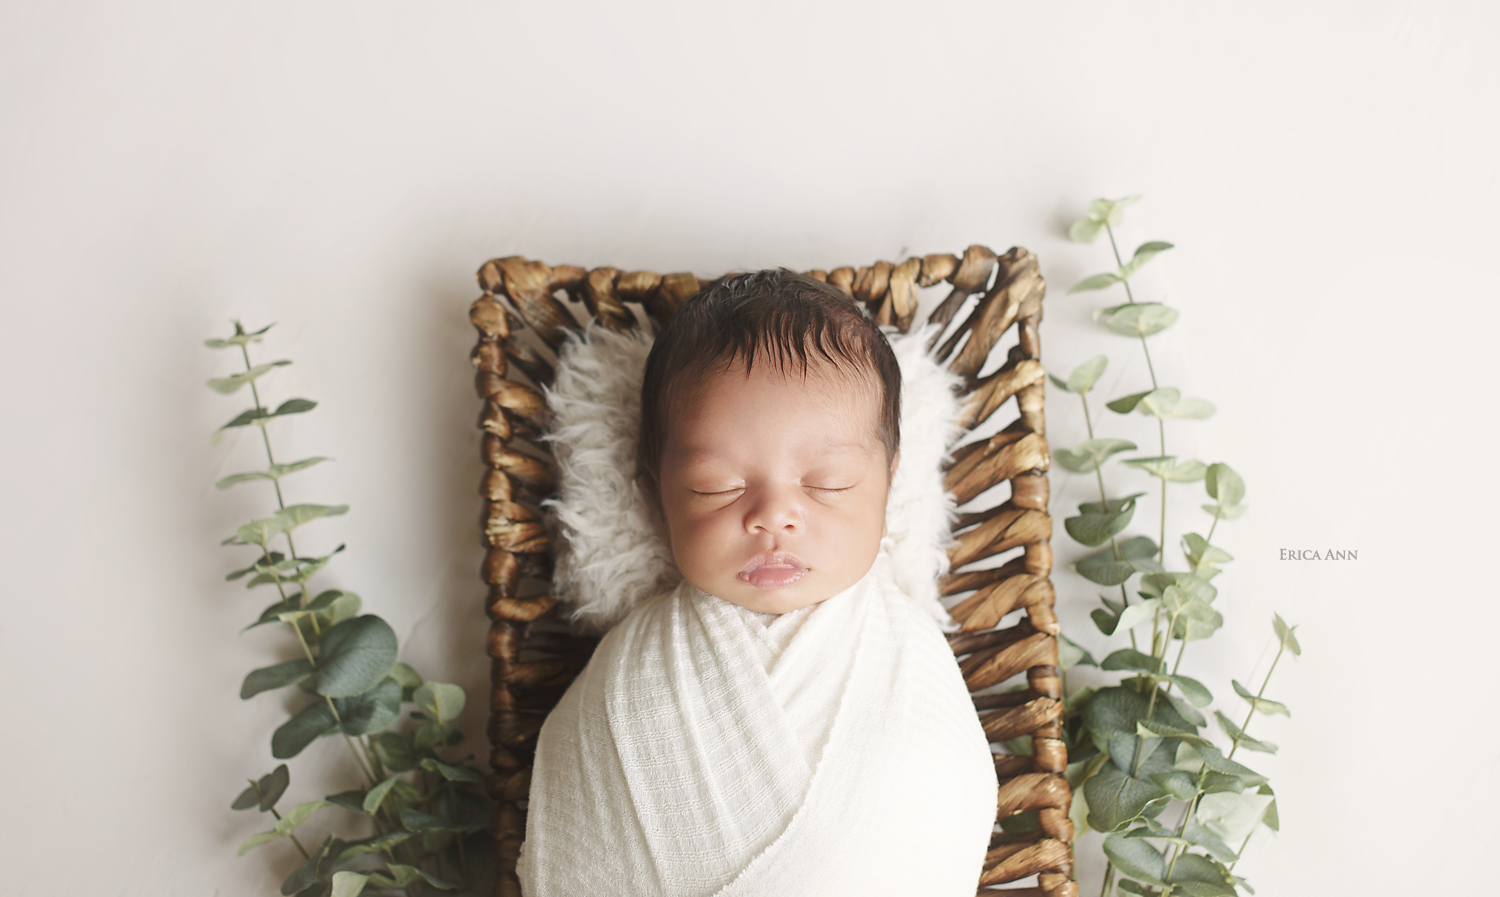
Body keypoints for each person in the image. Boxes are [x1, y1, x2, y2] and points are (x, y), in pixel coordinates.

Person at [516, 270, 998, 896]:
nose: (774, 515)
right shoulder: (629, 672)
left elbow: (948, 791)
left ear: (889, 483)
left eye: (828, 484)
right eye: (715, 486)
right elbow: (581, 799)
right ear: (653, 494)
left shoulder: (908, 654)